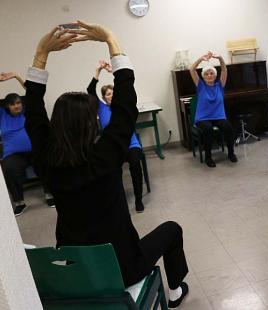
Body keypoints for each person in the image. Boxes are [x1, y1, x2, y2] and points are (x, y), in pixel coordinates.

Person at [24, 22, 188, 308]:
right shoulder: (105, 156)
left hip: (76, 271)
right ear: (92, 124)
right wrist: (111, 40)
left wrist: (41, 54)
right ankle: (175, 293)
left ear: (56, 125)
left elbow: (33, 112)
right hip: (121, 270)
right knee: (172, 229)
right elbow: (126, 106)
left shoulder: (46, 160)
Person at [87, 60, 145, 213]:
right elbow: (90, 90)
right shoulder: (101, 108)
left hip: (131, 144)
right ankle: (117, 199)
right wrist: (98, 71)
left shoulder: (123, 107)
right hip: (114, 148)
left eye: (113, 93)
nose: (111, 96)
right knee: (112, 169)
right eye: (108, 94)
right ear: (104, 97)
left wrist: (115, 72)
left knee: (135, 163)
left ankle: (139, 199)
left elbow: (126, 87)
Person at [0, 72, 54, 216]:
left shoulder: (27, 111)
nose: (16, 106)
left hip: (35, 149)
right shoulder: (2, 115)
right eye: (12, 104)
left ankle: (50, 194)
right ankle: (19, 202)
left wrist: (16, 77)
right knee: (8, 166)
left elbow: (32, 93)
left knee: (46, 159)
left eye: (18, 103)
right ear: (7, 106)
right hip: (14, 155)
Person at [189, 51, 237, 168]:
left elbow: (224, 70)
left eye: (211, 74)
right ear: (203, 76)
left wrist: (220, 58)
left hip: (218, 117)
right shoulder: (200, 86)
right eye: (207, 74)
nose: (209, 75)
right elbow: (191, 70)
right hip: (202, 118)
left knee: (229, 128)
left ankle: (231, 153)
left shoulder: (220, 86)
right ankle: (208, 158)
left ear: (215, 76)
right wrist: (201, 59)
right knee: (208, 129)